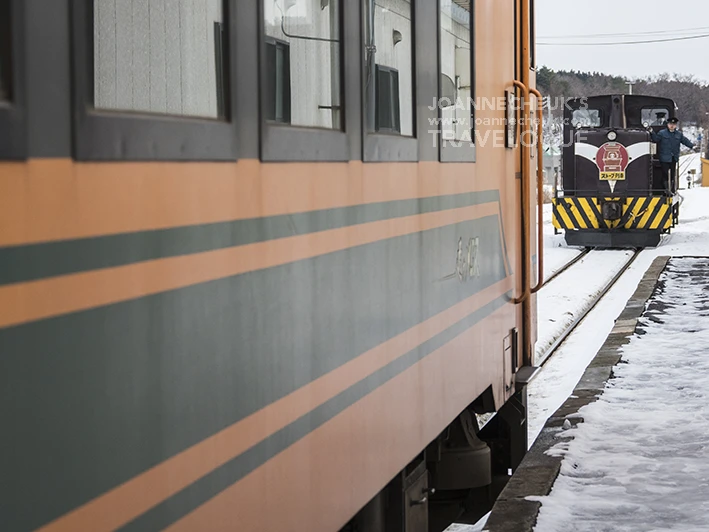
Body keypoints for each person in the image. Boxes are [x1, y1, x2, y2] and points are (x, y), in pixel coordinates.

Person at [648, 117, 695, 193]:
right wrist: (652, 132)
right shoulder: (662, 133)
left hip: (674, 158)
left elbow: (685, 141)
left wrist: (692, 146)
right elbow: (656, 139)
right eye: (670, 124)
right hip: (664, 157)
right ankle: (666, 189)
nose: (672, 126)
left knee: (672, 174)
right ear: (667, 124)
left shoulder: (679, 134)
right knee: (665, 174)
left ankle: (671, 189)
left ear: (676, 125)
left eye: (673, 124)